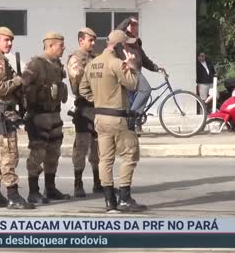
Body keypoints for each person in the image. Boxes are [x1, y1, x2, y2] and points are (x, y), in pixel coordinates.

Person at [79, 30, 147, 213]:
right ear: (118, 46)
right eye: (125, 46)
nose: (127, 49)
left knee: (105, 159)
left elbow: (83, 90)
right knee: (129, 155)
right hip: (118, 117)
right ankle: (124, 197)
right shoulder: (117, 63)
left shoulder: (92, 64)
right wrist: (131, 66)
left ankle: (110, 202)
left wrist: (100, 100)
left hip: (100, 117)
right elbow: (133, 85)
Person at [0, 26, 34, 210]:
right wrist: (20, 80)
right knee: (9, 153)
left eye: (11, 40)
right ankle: (13, 195)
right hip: (1, 114)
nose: (9, 43)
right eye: (5, 40)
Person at [23, 32, 70, 204]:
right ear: (50, 46)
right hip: (39, 116)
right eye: (60, 45)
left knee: (53, 153)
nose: (63, 48)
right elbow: (23, 85)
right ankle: (33, 191)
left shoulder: (57, 64)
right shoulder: (36, 64)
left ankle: (50, 188)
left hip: (55, 115)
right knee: (38, 153)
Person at [67, 27, 102, 198]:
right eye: (90, 40)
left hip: (97, 107)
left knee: (98, 148)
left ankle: (98, 182)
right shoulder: (76, 58)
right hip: (84, 107)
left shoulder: (94, 58)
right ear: (81, 41)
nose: (93, 43)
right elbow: (76, 77)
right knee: (81, 147)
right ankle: (78, 183)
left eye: (94, 40)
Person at [115, 16, 163, 129]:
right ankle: (132, 118)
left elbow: (145, 60)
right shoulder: (120, 42)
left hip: (136, 74)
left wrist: (156, 68)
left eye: (137, 26)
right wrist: (128, 20)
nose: (135, 28)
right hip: (128, 73)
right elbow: (117, 32)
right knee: (145, 90)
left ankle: (135, 123)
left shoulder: (136, 43)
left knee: (137, 99)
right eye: (133, 25)